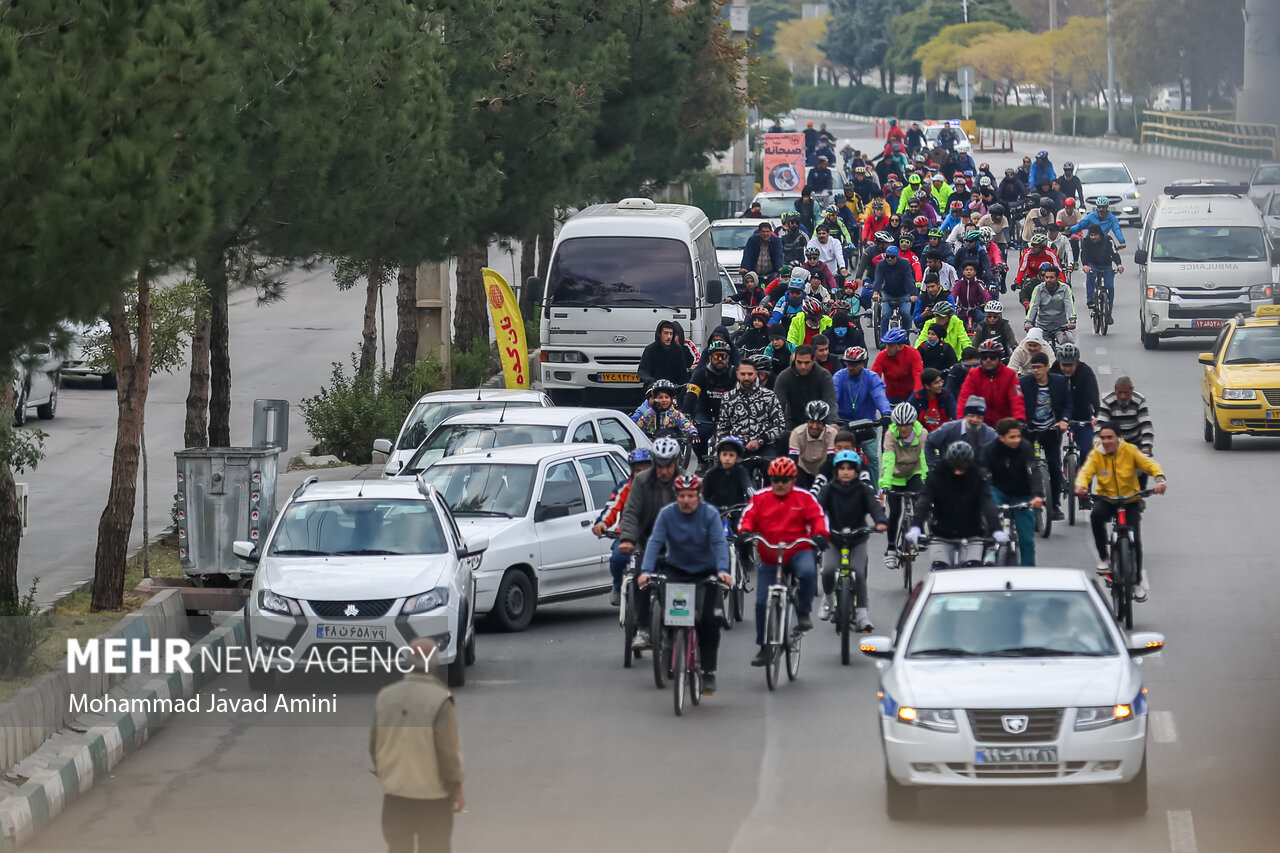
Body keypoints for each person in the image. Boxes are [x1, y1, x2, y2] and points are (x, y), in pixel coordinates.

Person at [638, 474, 733, 694]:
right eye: (682, 496)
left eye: (691, 495)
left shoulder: (709, 515)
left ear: (698, 496)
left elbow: (720, 543)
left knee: (709, 621)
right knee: (670, 615)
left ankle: (708, 672)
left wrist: (723, 571)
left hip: (707, 573)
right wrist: (646, 571)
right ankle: (670, 643)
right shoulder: (666, 514)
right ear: (676, 496)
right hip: (677, 570)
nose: (686, 500)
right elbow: (655, 543)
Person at [371, 637, 465, 853]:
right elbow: (448, 751)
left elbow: (374, 745)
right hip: (432, 797)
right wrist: (456, 788)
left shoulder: (386, 697)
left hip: (395, 794)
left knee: (398, 847)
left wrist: (388, 776)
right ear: (435, 665)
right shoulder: (440, 698)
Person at [739, 456, 830, 664]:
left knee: (807, 572)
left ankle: (804, 612)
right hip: (770, 556)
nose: (780, 484)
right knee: (761, 602)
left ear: (793, 479)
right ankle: (764, 646)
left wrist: (820, 535)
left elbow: (818, 517)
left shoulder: (805, 498)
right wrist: (744, 532)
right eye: (775, 479)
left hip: (798, 550)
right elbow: (748, 517)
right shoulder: (761, 498)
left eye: (785, 480)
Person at [1075, 423, 1167, 601]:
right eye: (1103, 438)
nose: (1106, 441)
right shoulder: (1097, 454)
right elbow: (1086, 472)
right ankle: (1104, 558)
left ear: (1118, 437)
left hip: (1130, 499)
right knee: (1096, 516)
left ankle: (1136, 584)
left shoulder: (1130, 451)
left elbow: (1149, 464)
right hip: (1107, 499)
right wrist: (1081, 485)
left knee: (1136, 540)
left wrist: (1160, 479)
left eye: (1110, 437)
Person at [618, 437, 681, 650]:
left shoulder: (686, 483)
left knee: (683, 583)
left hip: (679, 545)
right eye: (659, 465)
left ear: (677, 463)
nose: (664, 471)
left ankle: (680, 630)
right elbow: (631, 511)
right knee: (641, 579)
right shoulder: (642, 481)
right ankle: (644, 629)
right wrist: (627, 538)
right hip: (648, 541)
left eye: (668, 465)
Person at [817, 451, 887, 630]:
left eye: (850, 468)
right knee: (828, 569)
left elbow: (873, 506)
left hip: (858, 537)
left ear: (856, 471)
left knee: (859, 572)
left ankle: (862, 613)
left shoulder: (862, 490)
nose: (846, 472)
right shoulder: (828, 490)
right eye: (842, 468)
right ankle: (828, 599)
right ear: (836, 471)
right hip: (833, 537)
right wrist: (813, 526)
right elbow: (817, 510)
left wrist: (880, 521)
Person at [907, 441, 1006, 567]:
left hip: (972, 534)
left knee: (973, 568)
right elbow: (924, 501)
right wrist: (916, 526)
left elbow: (987, 503)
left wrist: (996, 529)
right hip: (942, 534)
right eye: (955, 465)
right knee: (939, 569)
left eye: (962, 466)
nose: (958, 470)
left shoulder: (979, 477)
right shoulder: (937, 475)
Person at [592, 447, 653, 605]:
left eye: (645, 470)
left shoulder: (661, 487)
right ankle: (618, 588)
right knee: (618, 558)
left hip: (654, 536)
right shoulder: (624, 487)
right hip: (627, 535)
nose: (641, 474)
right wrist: (602, 523)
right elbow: (612, 508)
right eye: (637, 470)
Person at [983, 418, 1045, 565]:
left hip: (1023, 495)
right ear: (1001, 437)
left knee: (1027, 540)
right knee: (988, 515)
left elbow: (1034, 472)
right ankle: (990, 549)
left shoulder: (1026, 448)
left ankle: (1028, 572)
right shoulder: (990, 450)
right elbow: (982, 473)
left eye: (1018, 436)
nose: (1017, 440)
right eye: (1012, 437)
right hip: (999, 490)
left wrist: (1037, 495)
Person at [1019, 352, 1072, 520]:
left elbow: (1068, 404)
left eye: (1039, 368)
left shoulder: (1060, 382)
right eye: (1033, 368)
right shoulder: (1024, 383)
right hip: (1030, 430)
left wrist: (1064, 420)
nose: (1036, 371)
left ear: (1047, 367)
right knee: (1024, 467)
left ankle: (1054, 505)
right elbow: (1017, 403)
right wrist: (1019, 422)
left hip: (1051, 430)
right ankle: (1024, 501)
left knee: (1055, 467)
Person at [713, 360, 787, 473]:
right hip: (738, 447)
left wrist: (761, 440)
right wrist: (721, 448)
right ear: (737, 374)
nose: (746, 377)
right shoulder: (728, 398)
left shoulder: (769, 396)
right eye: (743, 374)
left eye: (750, 374)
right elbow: (723, 428)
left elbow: (780, 425)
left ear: (756, 374)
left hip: (765, 446)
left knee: (773, 471)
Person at [878, 403, 928, 570]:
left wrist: (925, 480)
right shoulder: (890, 434)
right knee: (895, 512)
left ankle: (919, 532)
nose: (903, 429)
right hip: (896, 475)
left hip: (914, 472)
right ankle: (891, 548)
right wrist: (885, 484)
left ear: (913, 423)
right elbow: (888, 460)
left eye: (906, 425)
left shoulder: (922, 435)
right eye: (900, 425)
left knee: (920, 500)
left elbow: (924, 460)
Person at [833, 345, 892, 479]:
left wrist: (886, 413)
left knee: (872, 458)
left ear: (863, 363)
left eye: (854, 364)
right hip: (844, 422)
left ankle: (877, 493)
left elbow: (880, 396)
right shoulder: (839, 376)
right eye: (848, 363)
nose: (850, 367)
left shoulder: (872, 378)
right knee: (835, 456)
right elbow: (833, 396)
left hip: (867, 424)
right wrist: (831, 415)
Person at [702, 436, 756, 571]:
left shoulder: (741, 472)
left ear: (737, 457)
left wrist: (754, 498)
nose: (727, 458)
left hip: (737, 509)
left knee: (744, 532)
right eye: (724, 455)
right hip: (716, 511)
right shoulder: (711, 474)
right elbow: (704, 497)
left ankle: (746, 558)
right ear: (718, 455)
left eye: (731, 455)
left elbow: (748, 487)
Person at [1051, 342, 1100, 470]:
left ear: (1077, 363)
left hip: (1081, 414)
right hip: (1059, 416)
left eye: (1070, 365)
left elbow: (1093, 394)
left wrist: (1096, 414)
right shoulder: (1053, 370)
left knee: (1086, 453)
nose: (1067, 369)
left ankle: (1085, 487)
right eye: (1064, 365)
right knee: (1051, 451)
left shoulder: (1086, 372)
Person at [773, 344, 838, 435]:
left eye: (806, 363)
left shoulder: (824, 376)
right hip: (793, 422)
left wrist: (831, 423)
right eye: (799, 362)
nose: (802, 366)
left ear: (813, 361)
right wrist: (777, 425)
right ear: (794, 361)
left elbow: (830, 402)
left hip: (819, 423)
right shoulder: (784, 377)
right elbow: (778, 405)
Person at [957, 340, 1026, 425]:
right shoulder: (973, 375)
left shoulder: (1010, 375)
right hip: (979, 424)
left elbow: (1017, 398)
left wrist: (1019, 419)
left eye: (992, 357)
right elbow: (964, 398)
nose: (988, 360)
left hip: (1004, 425)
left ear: (999, 359)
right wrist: (960, 420)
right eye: (985, 357)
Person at [683, 340, 737, 447]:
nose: (720, 359)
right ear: (710, 358)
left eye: (724, 356)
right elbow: (691, 395)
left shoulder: (735, 374)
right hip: (705, 413)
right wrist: (687, 414)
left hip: (728, 414)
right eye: (717, 356)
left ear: (729, 358)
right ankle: (702, 462)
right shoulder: (701, 373)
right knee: (697, 436)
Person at [925, 395, 997, 470]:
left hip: (977, 477)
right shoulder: (949, 428)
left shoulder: (991, 435)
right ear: (965, 416)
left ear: (983, 419)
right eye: (971, 416)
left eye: (979, 417)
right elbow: (929, 441)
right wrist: (934, 468)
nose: (975, 420)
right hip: (950, 474)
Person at [1098, 376, 1155, 456]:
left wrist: (1146, 447)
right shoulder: (1107, 401)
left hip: (1135, 443)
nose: (1123, 396)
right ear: (1115, 390)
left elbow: (1146, 425)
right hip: (1115, 444)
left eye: (1126, 393)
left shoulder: (1139, 400)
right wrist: (1098, 447)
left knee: (1144, 467)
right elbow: (1100, 426)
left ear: (1132, 390)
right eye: (1120, 392)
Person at [1080, 223, 1125, 324]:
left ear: (1100, 234)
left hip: (1106, 265)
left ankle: (1109, 312)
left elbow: (1114, 253)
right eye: (1091, 235)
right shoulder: (1086, 241)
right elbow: (1084, 254)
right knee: (1090, 276)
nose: (1093, 237)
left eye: (1095, 235)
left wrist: (1119, 265)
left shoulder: (1108, 240)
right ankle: (1090, 299)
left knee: (1110, 286)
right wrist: (1085, 265)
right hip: (1092, 265)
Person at [632, 379, 699, 445]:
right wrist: (652, 411)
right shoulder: (650, 412)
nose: (664, 400)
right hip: (651, 447)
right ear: (655, 399)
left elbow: (685, 423)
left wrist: (693, 432)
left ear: (671, 399)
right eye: (660, 397)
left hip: (671, 448)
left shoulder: (675, 414)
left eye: (666, 397)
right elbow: (639, 425)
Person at [789, 400, 838, 489]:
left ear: (824, 425)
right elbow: (793, 460)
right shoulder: (797, 433)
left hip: (824, 470)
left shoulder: (832, 433)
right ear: (807, 421)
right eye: (811, 422)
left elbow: (831, 460)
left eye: (819, 423)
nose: (814, 426)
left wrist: (820, 481)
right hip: (803, 470)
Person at [872, 246, 919, 339]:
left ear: (897, 257)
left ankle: (905, 337)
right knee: (885, 315)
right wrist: (875, 292)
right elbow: (878, 279)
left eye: (892, 257)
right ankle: (883, 339)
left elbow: (909, 279)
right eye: (887, 256)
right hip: (888, 292)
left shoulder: (904, 263)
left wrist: (913, 294)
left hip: (903, 292)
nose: (889, 259)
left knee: (905, 313)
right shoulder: (881, 264)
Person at [1024, 263, 1077, 338]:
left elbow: (1069, 304)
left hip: (1061, 327)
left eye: (1051, 278)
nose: (1048, 280)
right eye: (1046, 277)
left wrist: (1072, 320)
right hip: (1042, 326)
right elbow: (1033, 306)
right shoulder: (1038, 289)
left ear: (1058, 278)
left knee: (1068, 346)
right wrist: (1028, 322)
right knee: (1033, 344)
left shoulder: (1065, 288)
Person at [872, 328, 923, 403]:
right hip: (890, 395)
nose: (887, 348)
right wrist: (877, 395)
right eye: (886, 344)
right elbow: (875, 377)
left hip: (910, 395)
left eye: (891, 345)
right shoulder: (882, 355)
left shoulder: (913, 353)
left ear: (900, 346)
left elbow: (918, 374)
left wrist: (916, 395)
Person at [637, 320, 689, 387]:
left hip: (673, 389)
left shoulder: (677, 349)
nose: (669, 337)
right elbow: (643, 371)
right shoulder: (650, 349)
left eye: (671, 333)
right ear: (659, 334)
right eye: (666, 333)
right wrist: (652, 381)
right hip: (653, 388)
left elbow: (682, 374)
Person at [1013, 234, 1062, 303]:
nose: (1032, 248)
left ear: (1042, 248)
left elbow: (1058, 269)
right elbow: (1022, 268)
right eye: (1032, 245)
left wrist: (1064, 281)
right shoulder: (1027, 253)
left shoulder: (1050, 254)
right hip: (1031, 278)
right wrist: (1017, 282)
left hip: (1046, 279)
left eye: (1035, 247)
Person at [908, 367, 957, 431]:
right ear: (927, 386)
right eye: (937, 383)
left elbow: (954, 414)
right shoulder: (917, 397)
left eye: (941, 381)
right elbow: (908, 415)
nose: (941, 384)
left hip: (945, 433)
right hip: (922, 434)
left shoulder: (946, 395)